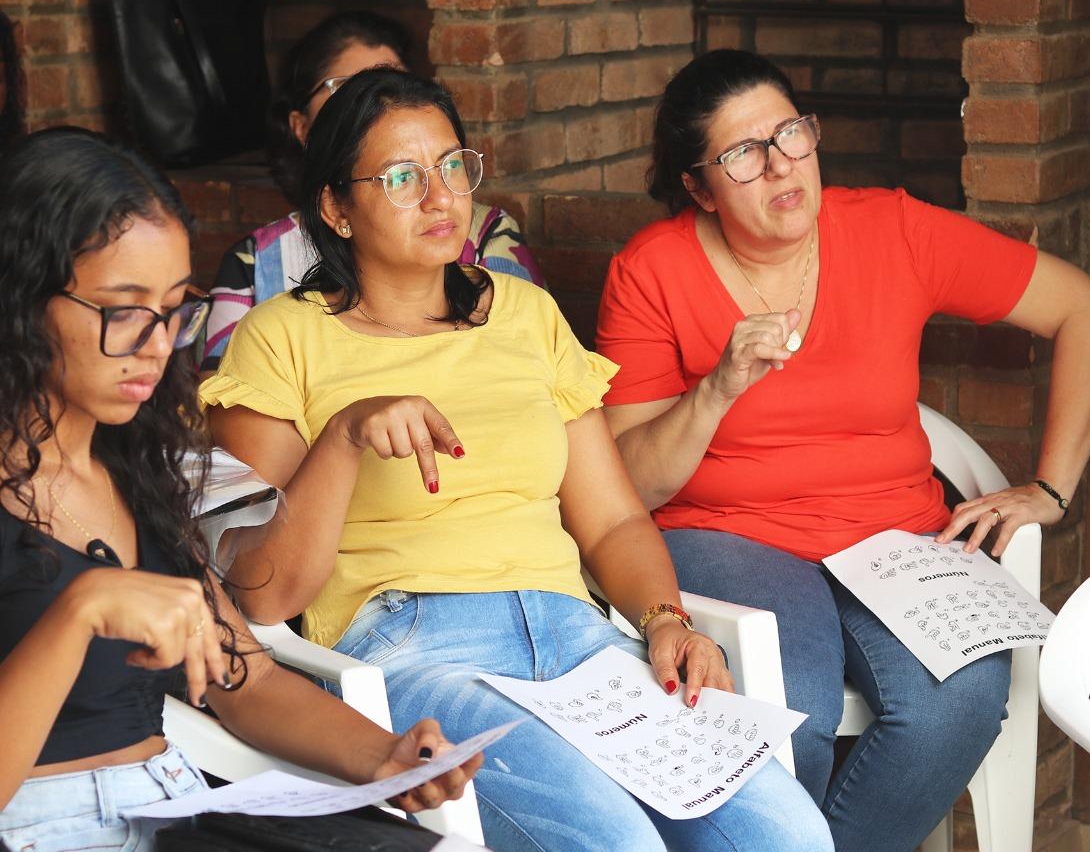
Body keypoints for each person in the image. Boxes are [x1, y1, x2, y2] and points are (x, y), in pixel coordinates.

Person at [199, 68, 833, 852]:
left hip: (579, 636)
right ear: (334, 207)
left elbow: (610, 520)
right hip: (417, 648)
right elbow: (263, 596)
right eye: (401, 178)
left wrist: (665, 620)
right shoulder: (279, 338)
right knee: (617, 844)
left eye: (452, 167)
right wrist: (345, 437)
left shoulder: (524, 314)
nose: (440, 198)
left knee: (791, 834)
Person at [595, 49, 1090, 852]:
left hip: (898, 537)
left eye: (790, 134)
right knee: (786, 705)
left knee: (963, 702)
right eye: (743, 154)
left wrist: (1050, 489)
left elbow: (1088, 308)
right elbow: (626, 482)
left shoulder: (893, 230)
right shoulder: (651, 272)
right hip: (730, 534)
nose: (780, 165)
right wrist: (717, 387)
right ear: (699, 186)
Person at [0, 128, 480, 852]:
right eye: (124, 311)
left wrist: (382, 757)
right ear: (23, 300)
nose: (159, 346)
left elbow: (247, 683)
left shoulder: (131, 471)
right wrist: (80, 612)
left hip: (171, 806)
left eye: (171, 311)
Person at [201, 10, 541, 377]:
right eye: (400, 176)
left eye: (392, 87)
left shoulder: (515, 294)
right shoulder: (266, 301)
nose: (439, 198)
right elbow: (221, 408)